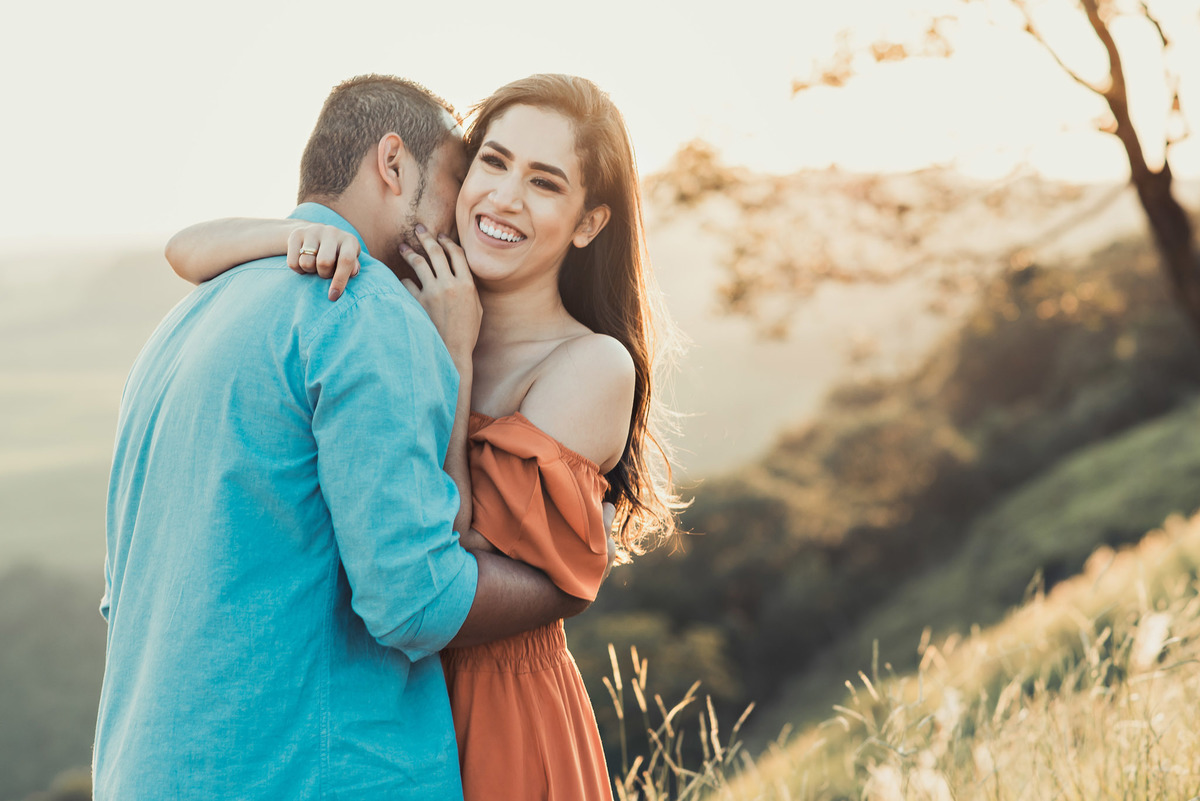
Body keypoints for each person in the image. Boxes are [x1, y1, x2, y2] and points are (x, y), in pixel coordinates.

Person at [165, 74, 681, 801]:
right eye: (493, 162)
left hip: (499, 711)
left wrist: (455, 358)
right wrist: (299, 235)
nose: (505, 197)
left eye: (544, 183)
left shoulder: (589, 365)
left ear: (588, 223)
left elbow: (450, 557)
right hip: (384, 711)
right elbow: (187, 248)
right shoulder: (403, 289)